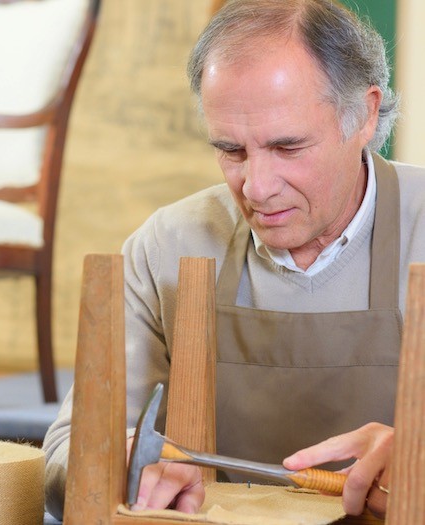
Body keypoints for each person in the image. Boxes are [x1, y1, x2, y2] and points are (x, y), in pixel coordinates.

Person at [43, 0, 425, 521]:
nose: (258, 188)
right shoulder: (169, 245)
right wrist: (123, 463)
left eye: (288, 147)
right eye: (231, 151)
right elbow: (66, 452)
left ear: (364, 114)